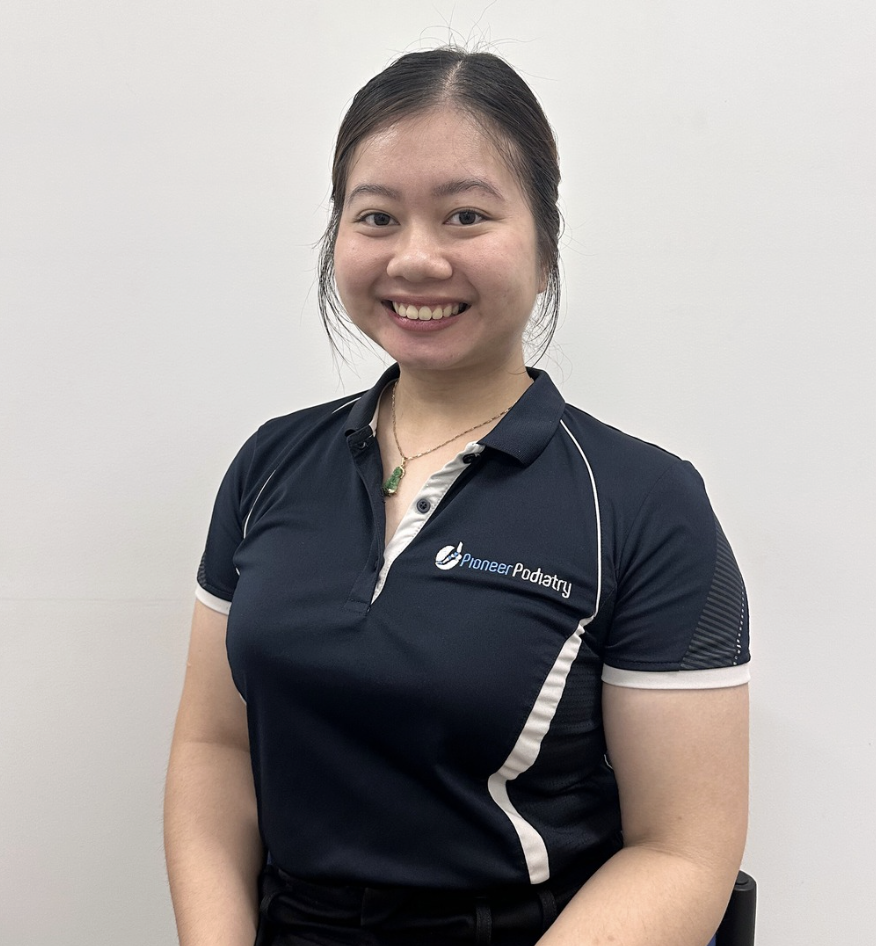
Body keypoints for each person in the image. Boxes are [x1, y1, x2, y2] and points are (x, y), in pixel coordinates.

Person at [164, 46, 750, 946]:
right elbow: (215, 746)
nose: (416, 258)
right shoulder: (271, 463)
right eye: (377, 217)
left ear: (546, 247)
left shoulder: (644, 503)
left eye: (466, 216)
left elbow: (683, 850)